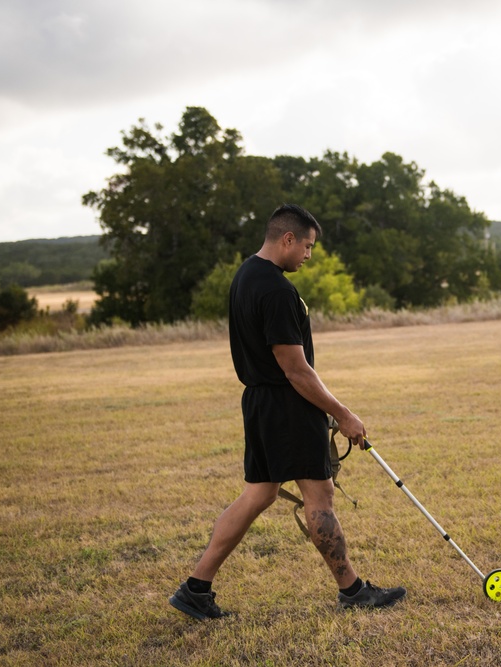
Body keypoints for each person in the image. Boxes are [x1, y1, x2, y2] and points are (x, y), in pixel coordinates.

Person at [169, 204, 406, 620]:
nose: (309, 256)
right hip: (286, 405)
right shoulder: (276, 290)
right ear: (288, 239)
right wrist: (343, 413)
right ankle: (352, 591)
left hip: (260, 403)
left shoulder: (246, 275)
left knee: (258, 494)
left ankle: (195, 588)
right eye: (308, 247)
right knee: (320, 496)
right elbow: (296, 370)